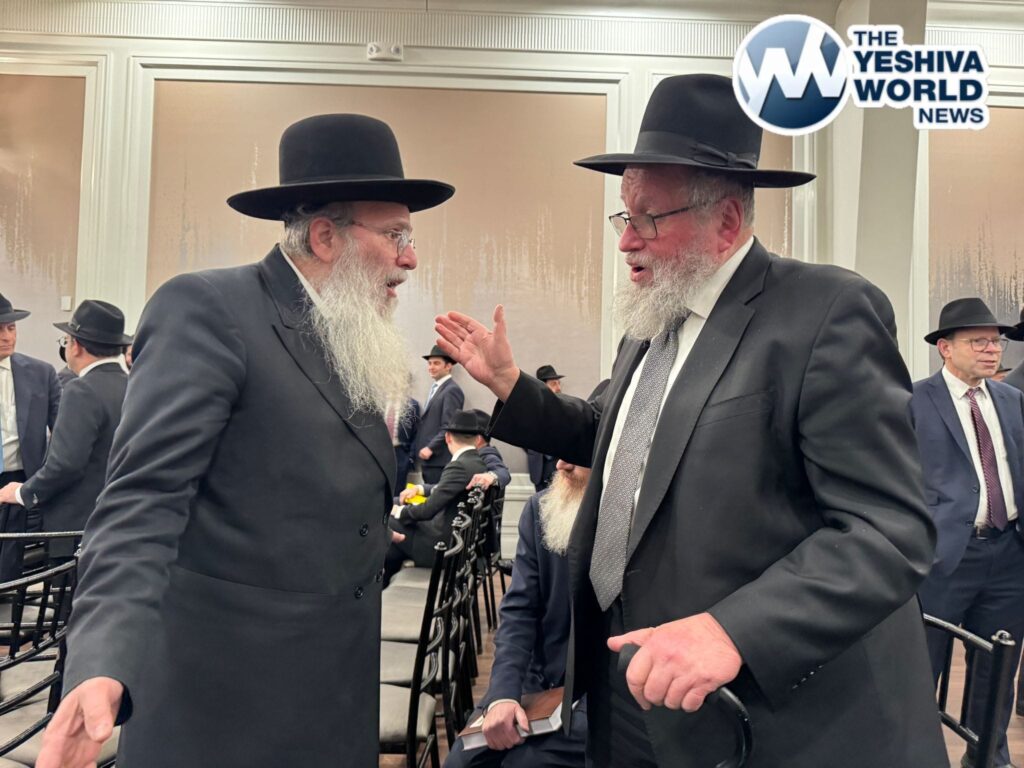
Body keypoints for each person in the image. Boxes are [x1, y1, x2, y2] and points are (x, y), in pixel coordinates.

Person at [434, 74, 946, 768]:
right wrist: (510, 387)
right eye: (624, 217)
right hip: (625, 683)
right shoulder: (651, 327)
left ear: (726, 221)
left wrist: (733, 629)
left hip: (757, 709)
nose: (626, 242)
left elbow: (888, 530)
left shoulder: (824, 313)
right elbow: (622, 440)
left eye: (648, 219)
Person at [36, 113, 454, 768]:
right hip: (226, 709)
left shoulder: (349, 337)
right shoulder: (210, 310)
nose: (410, 258)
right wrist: (101, 662)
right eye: (396, 235)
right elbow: (142, 501)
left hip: (332, 694)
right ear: (325, 236)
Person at [911, 298, 1024, 768]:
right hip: (942, 558)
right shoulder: (913, 401)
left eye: (996, 342)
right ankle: (916, 757)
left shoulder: (1012, 401)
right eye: (979, 341)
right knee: (921, 670)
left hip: (1008, 554)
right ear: (945, 347)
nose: (992, 350)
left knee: (996, 670)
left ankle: (987, 757)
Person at [444, 458, 591, 768]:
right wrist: (503, 695)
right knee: (461, 761)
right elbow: (518, 611)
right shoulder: (540, 509)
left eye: (577, 454)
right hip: (539, 682)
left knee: (524, 762)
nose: (561, 464)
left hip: (600, 699)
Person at [0, 300, 131, 561]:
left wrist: (23, 492)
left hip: (37, 495)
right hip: (112, 517)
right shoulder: (132, 385)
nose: (7, 337)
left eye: (11, 328)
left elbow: (66, 458)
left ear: (75, 345)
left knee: (15, 570)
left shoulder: (67, 384)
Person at [0, 292, 61, 579]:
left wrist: (45, 476)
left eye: (11, 328)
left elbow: (61, 430)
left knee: (10, 559)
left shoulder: (41, 373)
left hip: (20, 479)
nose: (7, 336)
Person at [386, 409, 486, 583]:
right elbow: (444, 490)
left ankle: (382, 583)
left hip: (441, 546)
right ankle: (387, 580)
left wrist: (397, 511)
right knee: (392, 540)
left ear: (447, 437)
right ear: (478, 439)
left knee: (386, 521)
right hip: (455, 541)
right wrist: (418, 491)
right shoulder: (476, 463)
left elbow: (427, 510)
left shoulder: (459, 466)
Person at [414, 344, 465, 483]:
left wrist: (430, 448)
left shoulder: (451, 390)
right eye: (429, 363)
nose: (431, 367)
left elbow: (449, 426)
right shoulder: (437, 388)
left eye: (436, 363)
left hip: (438, 460)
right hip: (429, 460)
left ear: (448, 366)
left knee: (436, 495)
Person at [526, 366, 563, 491]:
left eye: (559, 383)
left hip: (557, 465)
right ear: (542, 386)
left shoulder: (563, 407)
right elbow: (523, 435)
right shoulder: (530, 409)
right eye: (554, 384)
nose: (558, 388)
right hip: (539, 467)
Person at [390, 394, 421, 492]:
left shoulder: (412, 404)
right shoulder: (378, 402)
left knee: (397, 491)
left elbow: (417, 433)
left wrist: (410, 457)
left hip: (400, 453)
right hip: (380, 451)